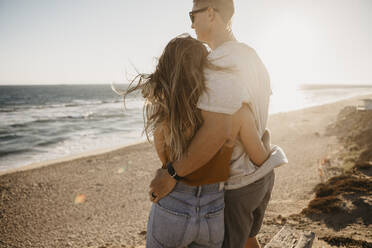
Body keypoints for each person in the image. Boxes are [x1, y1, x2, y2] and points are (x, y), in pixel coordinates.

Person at [149, 0, 288, 247]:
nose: (191, 24)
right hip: (260, 174)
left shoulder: (221, 62)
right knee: (249, 240)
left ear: (210, 14)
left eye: (193, 15)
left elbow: (217, 130)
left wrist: (171, 173)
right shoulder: (250, 55)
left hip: (237, 186)